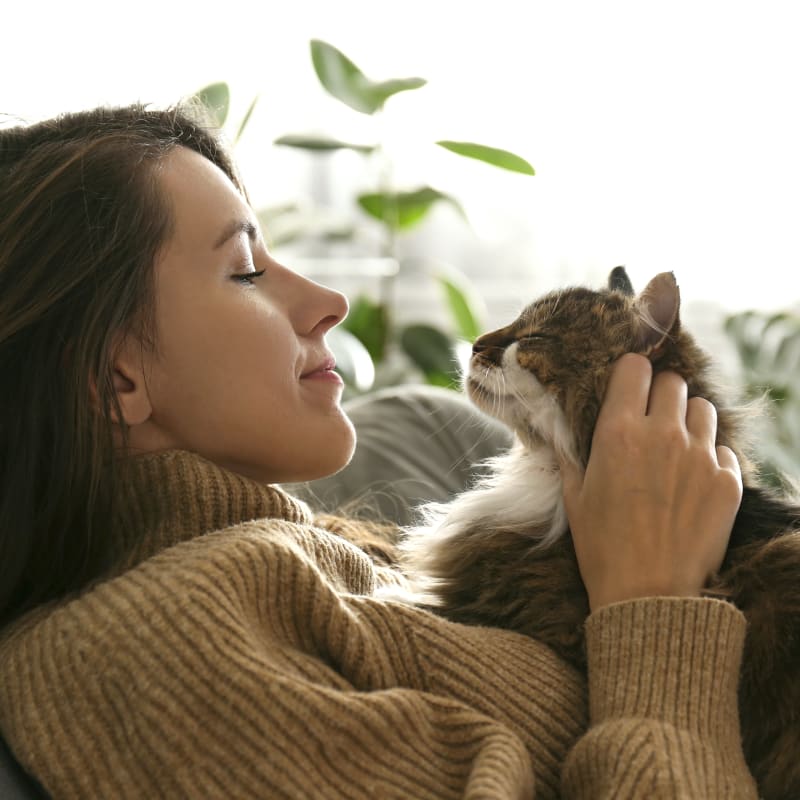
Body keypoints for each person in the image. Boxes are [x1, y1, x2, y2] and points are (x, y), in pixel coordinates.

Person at [0, 105, 757, 799]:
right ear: (113, 378)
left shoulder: (299, 564)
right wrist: (653, 611)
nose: (332, 301)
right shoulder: (164, 650)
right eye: (246, 271)